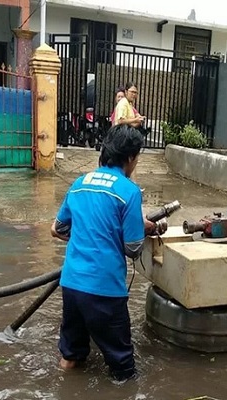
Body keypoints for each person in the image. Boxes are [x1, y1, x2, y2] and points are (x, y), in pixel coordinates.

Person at [50, 124, 156, 381]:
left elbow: (58, 228)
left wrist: (89, 236)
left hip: (72, 285)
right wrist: (139, 228)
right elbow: (132, 249)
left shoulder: (79, 183)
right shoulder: (129, 191)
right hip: (105, 291)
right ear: (130, 157)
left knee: (70, 356)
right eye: (137, 158)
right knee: (123, 370)